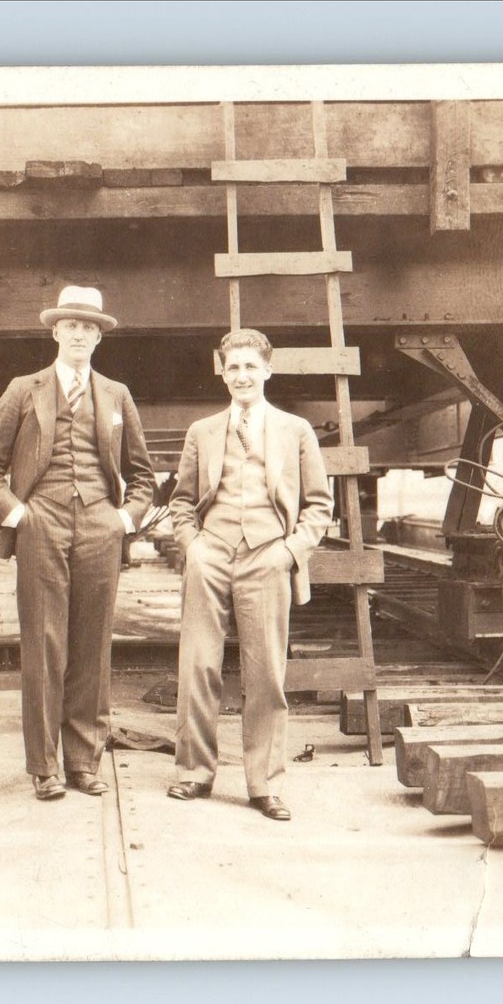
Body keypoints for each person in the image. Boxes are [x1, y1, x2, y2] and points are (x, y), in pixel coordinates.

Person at [0, 286, 155, 801]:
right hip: (41, 522)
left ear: (99, 337)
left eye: (89, 327)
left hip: (101, 524)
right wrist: (17, 514)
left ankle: (83, 762)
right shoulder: (22, 389)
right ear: (55, 331)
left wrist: (124, 519)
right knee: (43, 644)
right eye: (70, 325)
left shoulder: (116, 394)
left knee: (93, 647)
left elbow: (142, 474)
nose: (79, 334)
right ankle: (45, 766)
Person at [168, 328, 334, 821]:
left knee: (266, 673)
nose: (241, 376)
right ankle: (194, 772)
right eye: (232, 367)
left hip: (267, 554)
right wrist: (192, 546)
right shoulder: (201, 430)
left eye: (249, 366)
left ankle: (264, 783)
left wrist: (288, 551)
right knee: (198, 664)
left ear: (268, 369)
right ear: (221, 371)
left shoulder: (295, 430)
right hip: (211, 553)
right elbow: (180, 501)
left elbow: (319, 505)